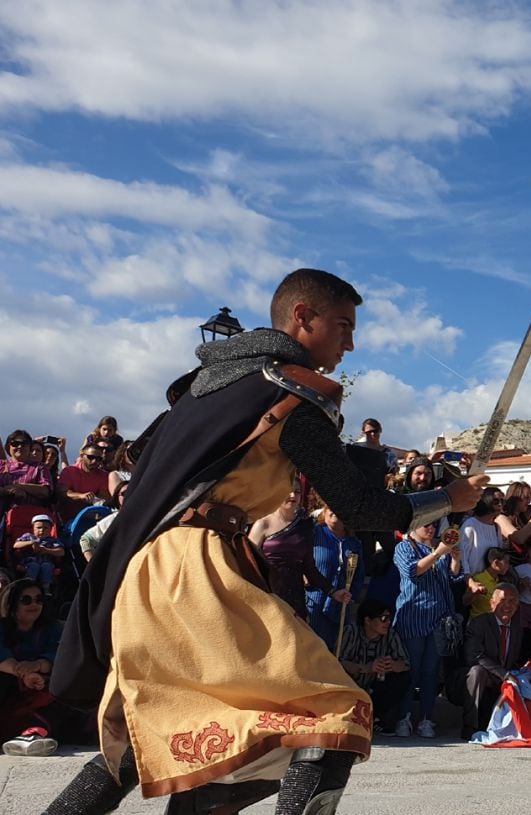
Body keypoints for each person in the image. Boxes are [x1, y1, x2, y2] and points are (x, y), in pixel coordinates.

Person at [45, 268, 486, 815]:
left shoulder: (198, 391)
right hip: (195, 572)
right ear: (302, 317)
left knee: (151, 740)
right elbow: (360, 509)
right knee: (331, 714)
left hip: (147, 573)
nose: (351, 342)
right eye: (343, 325)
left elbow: (144, 465)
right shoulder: (292, 393)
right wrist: (449, 499)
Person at [0, 579, 90, 757]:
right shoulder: (2, 628)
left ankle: (32, 735)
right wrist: (23, 672)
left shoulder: (52, 628)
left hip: (42, 684)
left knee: (62, 692)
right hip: (9, 685)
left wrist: (38, 665)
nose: (34, 604)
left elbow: (58, 655)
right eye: (26, 600)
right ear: (11, 603)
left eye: (39, 599)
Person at [393, 522, 463, 739]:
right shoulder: (404, 547)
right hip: (414, 615)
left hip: (438, 618)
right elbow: (413, 572)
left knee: (431, 673)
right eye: (426, 525)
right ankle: (403, 717)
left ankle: (426, 718)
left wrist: (455, 559)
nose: (430, 529)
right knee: (410, 670)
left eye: (433, 525)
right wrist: (439, 553)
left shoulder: (437, 546)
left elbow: (452, 577)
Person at [249, 485, 351, 621]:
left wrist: (332, 591)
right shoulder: (262, 524)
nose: (292, 495)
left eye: (297, 492)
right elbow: (248, 563)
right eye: (288, 491)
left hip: (294, 595)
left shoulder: (304, 527)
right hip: (267, 593)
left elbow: (309, 568)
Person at [456, 583, 523, 739]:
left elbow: (515, 660)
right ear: (492, 604)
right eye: (503, 600)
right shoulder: (479, 623)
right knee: (477, 672)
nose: (507, 605)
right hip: (475, 680)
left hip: (498, 682)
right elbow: (474, 656)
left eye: (512, 601)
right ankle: (469, 725)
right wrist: (505, 675)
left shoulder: (518, 628)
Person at [339, 598, 410, 736]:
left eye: (389, 618)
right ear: (368, 620)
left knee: (402, 678)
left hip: (375, 687)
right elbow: (338, 661)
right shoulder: (351, 632)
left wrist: (393, 666)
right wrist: (367, 668)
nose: (388, 622)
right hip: (350, 685)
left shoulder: (390, 635)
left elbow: (406, 663)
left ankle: (379, 718)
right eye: (383, 618)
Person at [307, 500, 365, 650]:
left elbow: (358, 574)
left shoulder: (354, 543)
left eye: (339, 508)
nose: (334, 511)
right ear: (324, 511)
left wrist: (352, 595)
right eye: (330, 507)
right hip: (314, 604)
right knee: (313, 651)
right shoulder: (314, 533)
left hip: (340, 608)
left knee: (336, 651)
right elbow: (301, 560)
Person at [55, 443, 110, 525]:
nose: (94, 461)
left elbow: (103, 497)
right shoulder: (69, 471)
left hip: (91, 520)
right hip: (66, 519)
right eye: (91, 457)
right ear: (81, 456)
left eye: (99, 458)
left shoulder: (104, 475)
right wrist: (81, 496)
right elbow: (62, 492)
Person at [12, 516, 65, 597]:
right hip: (29, 563)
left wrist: (47, 550)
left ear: (50, 529)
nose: (42, 530)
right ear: (33, 528)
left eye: (45, 528)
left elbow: (61, 552)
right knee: (34, 566)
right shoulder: (28, 536)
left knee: (46, 566)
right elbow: (16, 545)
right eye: (39, 528)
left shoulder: (53, 540)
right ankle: (28, 585)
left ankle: (45, 587)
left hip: (46, 562)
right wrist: (31, 543)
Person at [0, 430, 54, 511]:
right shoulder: (1, 465)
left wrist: (19, 486)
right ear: (8, 447)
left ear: (29, 447)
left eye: (24, 444)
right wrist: (7, 491)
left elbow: (45, 491)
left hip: (30, 516)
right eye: (15, 444)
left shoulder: (39, 467)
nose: (19, 446)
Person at [459, 487, 505, 576]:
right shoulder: (470, 525)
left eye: (502, 502)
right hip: (471, 580)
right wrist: (468, 579)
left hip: (489, 580)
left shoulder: (496, 527)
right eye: (495, 501)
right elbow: (462, 556)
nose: (500, 505)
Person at [464, 547, 512, 619]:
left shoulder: (500, 581)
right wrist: (473, 593)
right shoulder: (478, 579)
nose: (508, 565)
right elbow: (465, 601)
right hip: (478, 622)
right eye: (506, 562)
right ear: (496, 563)